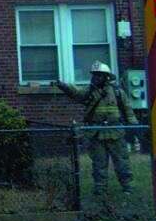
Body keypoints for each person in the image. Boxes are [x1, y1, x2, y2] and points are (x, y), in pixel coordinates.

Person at [56, 61, 139, 196]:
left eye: (99, 75)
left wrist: (133, 128)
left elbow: (128, 110)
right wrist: (63, 86)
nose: (96, 78)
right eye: (94, 75)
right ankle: (100, 189)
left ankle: (127, 186)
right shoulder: (88, 92)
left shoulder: (118, 92)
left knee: (121, 161)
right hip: (96, 134)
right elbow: (76, 93)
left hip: (115, 132)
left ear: (106, 77)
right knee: (99, 163)